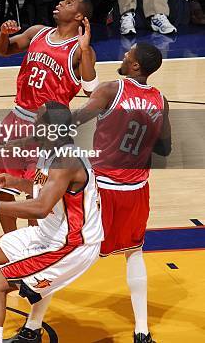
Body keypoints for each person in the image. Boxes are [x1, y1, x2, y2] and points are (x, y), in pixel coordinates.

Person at [0, 102, 103, 343]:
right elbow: (44, 190)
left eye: (38, 121)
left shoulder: (66, 161)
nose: (33, 124)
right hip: (49, 236)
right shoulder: (50, 152)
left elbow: (39, 208)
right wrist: (16, 182)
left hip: (71, 245)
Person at [72, 42, 172, 343]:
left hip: (101, 187)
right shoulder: (159, 99)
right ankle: (142, 330)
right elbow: (166, 148)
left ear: (136, 66)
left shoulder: (110, 90)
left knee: (69, 250)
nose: (123, 56)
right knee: (134, 252)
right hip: (136, 189)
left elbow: (74, 120)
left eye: (128, 55)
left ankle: (33, 326)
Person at [0, 0, 97, 233]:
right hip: (16, 117)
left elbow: (91, 89)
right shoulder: (38, 32)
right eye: (62, 0)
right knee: (2, 185)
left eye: (68, 2)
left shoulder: (80, 50)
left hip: (49, 128)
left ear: (79, 16)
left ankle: (34, 243)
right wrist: (3, 34)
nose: (59, 3)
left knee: (36, 190)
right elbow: (3, 51)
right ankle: (11, 242)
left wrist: (86, 49)